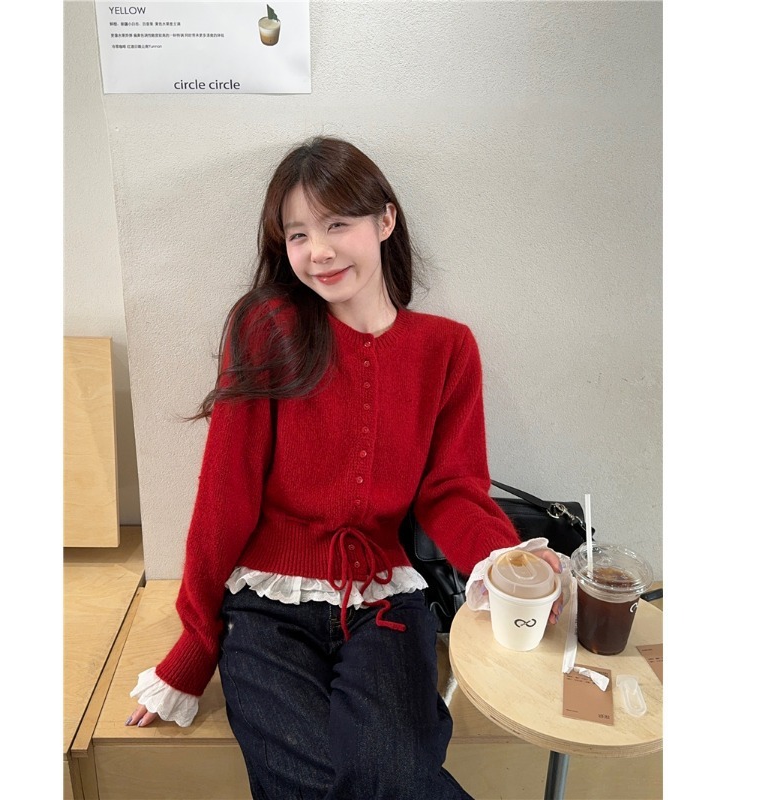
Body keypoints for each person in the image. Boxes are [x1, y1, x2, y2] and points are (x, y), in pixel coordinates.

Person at [126, 136, 563, 799]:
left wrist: (506, 563)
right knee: (314, 782)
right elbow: (225, 495)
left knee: (393, 770)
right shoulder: (267, 327)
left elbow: (451, 489)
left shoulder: (447, 348)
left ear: (385, 220)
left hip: (384, 602)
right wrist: (196, 642)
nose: (319, 251)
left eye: (336, 224)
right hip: (267, 607)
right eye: (297, 234)